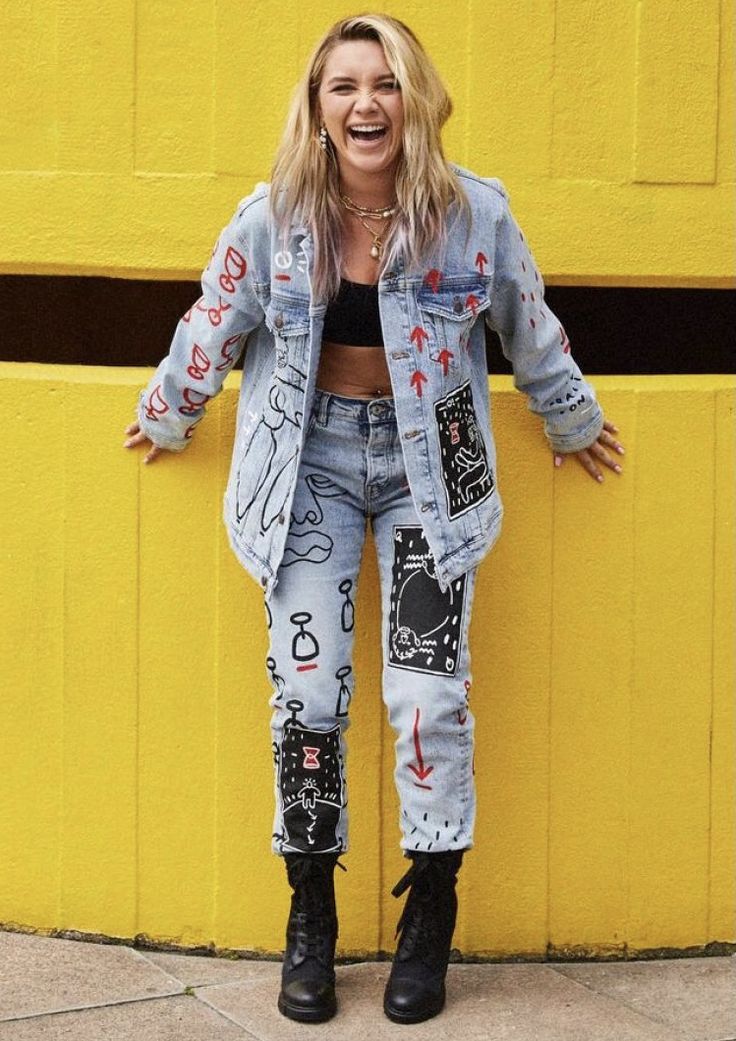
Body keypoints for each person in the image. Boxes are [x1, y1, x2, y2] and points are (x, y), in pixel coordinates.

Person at [123, 13, 625, 1026]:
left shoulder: (474, 217)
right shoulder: (271, 220)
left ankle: (426, 920)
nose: (366, 104)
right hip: (306, 472)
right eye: (345, 85)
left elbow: (529, 327)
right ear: (317, 108)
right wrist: (167, 413)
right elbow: (211, 324)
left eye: (385, 84)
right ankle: (309, 921)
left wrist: (572, 421)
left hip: (424, 482)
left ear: (416, 101)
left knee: (426, 698)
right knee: (305, 700)